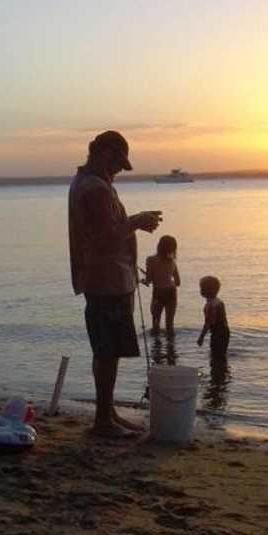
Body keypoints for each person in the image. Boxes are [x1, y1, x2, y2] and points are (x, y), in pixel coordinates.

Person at [68, 130, 163, 437]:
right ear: (106, 153)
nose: (121, 171)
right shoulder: (94, 188)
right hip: (105, 280)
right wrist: (137, 221)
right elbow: (105, 235)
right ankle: (103, 420)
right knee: (107, 350)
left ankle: (107, 413)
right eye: (119, 163)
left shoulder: (93, 184)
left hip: (108, 278)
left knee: (108, 349)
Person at [141, 235, 180, 336]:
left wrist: (141, 280)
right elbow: (178, 282)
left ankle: (156, 350)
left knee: (155, 324)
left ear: (159, 245)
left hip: (158, 293)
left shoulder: (150, 259)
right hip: (171, 292)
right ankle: (171, 350)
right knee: (170, 325)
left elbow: (148, 281)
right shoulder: (172, 261)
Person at [197, 275, 230, 361]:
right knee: (221, 354)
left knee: (215, 355)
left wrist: (201, 337)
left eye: (202, 288)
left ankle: (217, 372)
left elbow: (208, 323)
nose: (200, 290)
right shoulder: (219, 302)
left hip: (217, 334)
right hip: (225, 331)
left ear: (208, 290)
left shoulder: (211, 305)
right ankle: (222, 370)